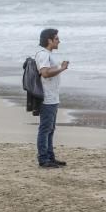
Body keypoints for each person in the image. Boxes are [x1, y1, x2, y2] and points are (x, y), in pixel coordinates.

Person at [35, 28, 69, 169]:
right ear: (49, 40)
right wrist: (61, 68)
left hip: (53, 96)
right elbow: (45, 73)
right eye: (56, 38)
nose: (59, 41)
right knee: (45, 128)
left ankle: (50, 157)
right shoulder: (43, 54)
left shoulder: (48, 54)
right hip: (46, 97)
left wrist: (60, 68)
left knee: (51, 128)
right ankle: (43, 159)